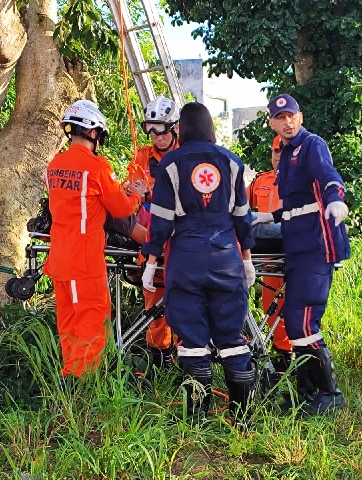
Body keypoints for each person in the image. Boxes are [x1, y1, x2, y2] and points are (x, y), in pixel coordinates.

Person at [141, 102, 256, 419]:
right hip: (226, 257)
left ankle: (196, 418)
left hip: (186, 259)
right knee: (232, 337)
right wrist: (246, 260)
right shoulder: (232, 163)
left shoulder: (171, 164)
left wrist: (151, 262)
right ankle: (241, 416)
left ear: (181, 129)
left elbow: (161, 221)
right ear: (211, 128)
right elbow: (243, 219)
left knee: (191, 339)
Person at [253, 94, 350, 415]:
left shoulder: (311, 145)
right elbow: (295, 204)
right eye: (280, 118)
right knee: (295, 322)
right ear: (272, 123)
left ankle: (328, 393)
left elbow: (328, 176)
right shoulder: (288, 152)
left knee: (304, 321)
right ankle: (308, 391)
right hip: (296, 244)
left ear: (300, 116)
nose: (287, 122)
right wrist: (268, 216)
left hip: (315, 244)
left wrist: (336, 198)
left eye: (291, 116)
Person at [43, 99, 146, 378]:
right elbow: (123, 209)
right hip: (84, 261)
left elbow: (78, 199)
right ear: (93, 133)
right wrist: (137, 193)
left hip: (60, 258)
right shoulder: (97, 166)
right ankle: (81, 384)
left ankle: (69, 375)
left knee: (68, 322)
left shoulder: (55, 165)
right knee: (91, 319)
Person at [125, 95, 180, 371]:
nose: (156, 137)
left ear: (174, 128)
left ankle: (189, 359)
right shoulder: (143, 156)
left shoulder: (186, 155)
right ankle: (160, 357)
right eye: (151, 130)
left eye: (162, 130)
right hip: (152, 236)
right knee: (154, 298)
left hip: (181, 237)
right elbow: (130, 186)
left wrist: (149, 194)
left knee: (184, 300)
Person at [246, 135, 293, 371]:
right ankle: (278, 353)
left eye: (284, 152)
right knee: (270, 308)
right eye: (276, 151)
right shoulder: (260, 181)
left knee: (292, 307)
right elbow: (240, 205)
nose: (279, 156)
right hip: (266, 256)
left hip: (292, 249)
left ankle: (290, 354)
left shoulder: (301, 181)